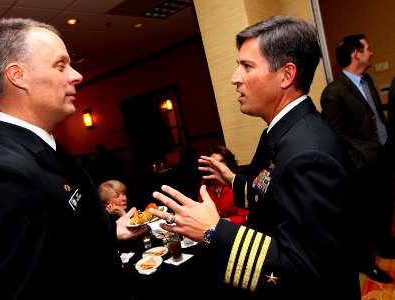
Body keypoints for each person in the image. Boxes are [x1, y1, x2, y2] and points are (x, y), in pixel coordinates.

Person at [149, 15, 361, 299]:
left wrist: (213, 230)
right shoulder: (284, 131)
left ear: (287, 75)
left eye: (247, 66)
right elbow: (281, 199)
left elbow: (308, 271)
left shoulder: (308, 153)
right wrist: (235, 181)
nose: (234, 78)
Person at [0, 18, 149, 300]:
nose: (76, 75)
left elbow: (62, 241)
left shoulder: (43, 145)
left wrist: (110, 233)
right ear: (17, 75)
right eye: (61, 65)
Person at [320, 34, 395, 283]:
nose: (371, 52)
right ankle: (366, 263)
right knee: (364, 217)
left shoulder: (367, 79)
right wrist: (356, 160)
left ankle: (386, 246)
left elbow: (374, 118)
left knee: (385, 205)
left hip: (382, 157)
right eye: (368, 48)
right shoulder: (334, 92)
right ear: (356, 53)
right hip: (361, 167)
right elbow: (334, 135)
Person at [197, 146, 248, 225]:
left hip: (236, 230)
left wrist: (222, 222)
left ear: (228, 164)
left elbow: (245, 217)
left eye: (222, 161)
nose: (217, 165)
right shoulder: (204, 184)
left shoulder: (236, 183)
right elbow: (202, 211)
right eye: (214, 161)